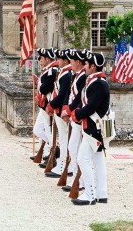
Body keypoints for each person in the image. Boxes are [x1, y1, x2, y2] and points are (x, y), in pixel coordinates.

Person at [71, 52, 110, 205]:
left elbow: (91, 106)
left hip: (94, 127)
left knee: (82, 158)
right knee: (98, 160)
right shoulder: (96, 81)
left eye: (86, 64)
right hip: (96, 126)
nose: (84, 66)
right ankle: (101, 193)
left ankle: (90, 194)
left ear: (93, 66)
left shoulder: (99, 83)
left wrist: (77, 114)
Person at [61, 49, 88, 192]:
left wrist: (71, 110)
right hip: (74, 115)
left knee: (76, 148)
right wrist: (66, 108)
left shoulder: (83, 77)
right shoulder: (76, 75)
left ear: (78, 62)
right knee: (73, 147)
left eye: (72, 60)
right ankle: (77, 178)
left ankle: (81, 180)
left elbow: (80, 99)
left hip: (78, 116)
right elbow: (70, 94)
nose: (70, 62)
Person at [45, 49, 72, 178]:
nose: (57, 61)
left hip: (62, 110)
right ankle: (64, 164)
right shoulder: (64, 73)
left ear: (65, 60)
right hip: (59, 109)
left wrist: (51, 105)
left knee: (63, 138)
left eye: (60, 59)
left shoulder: (67, 74)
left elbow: (62, 95)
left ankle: (63, 164)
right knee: (63, 138)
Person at [32, 48, 58, 168]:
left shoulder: (52, 71)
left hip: (48, 104)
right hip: (44, 104)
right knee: (38, 130)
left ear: (48, 58)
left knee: (48, 131)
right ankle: (52, 149)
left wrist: (40, 85)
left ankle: (53, 152)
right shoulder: (48, 70)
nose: (40, 61)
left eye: (42, 58)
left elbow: (45, 88)